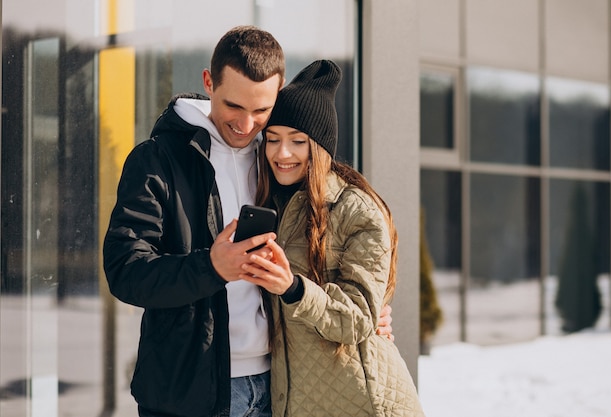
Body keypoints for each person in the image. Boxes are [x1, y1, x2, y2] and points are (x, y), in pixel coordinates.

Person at [103, 26, 393, 417]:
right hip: (190, 393)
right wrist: (211, 267)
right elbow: (126, 271)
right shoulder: (157, 160)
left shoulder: (278, 157)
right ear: (209, 82)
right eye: (234, 107)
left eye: (261, 111)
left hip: (281, 387)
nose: (246, 124)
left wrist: (369, 312)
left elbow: (327, 245)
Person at [240, 60, 426, 416]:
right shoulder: (267, 202)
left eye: (298, 141)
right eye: (273, 139)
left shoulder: (356, 211)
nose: (282, 153)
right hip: (298, 402)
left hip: (363, 402)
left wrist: (293, 288)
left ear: (320, 146)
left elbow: (357, 318)